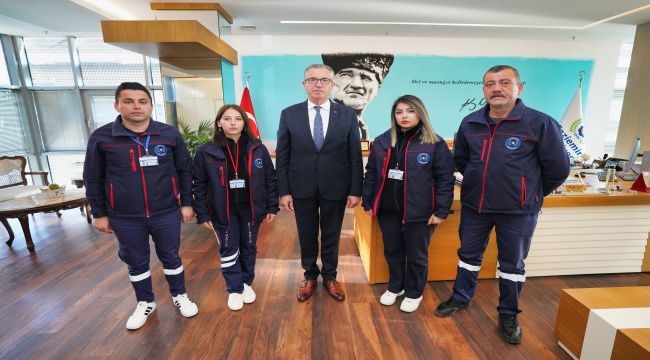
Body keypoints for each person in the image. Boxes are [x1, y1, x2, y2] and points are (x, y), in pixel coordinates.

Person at [434, 65, 570, 344]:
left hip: (519, 212)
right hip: (475, 207)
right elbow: (461, 161)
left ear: (519, 87)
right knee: (468, 257)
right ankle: (461, 296)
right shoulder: (470, 123)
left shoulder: (540, 123)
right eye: (490, 84)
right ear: (484, 90)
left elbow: (558, 169)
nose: (496, 88)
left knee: (512, 265)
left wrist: (529, 193)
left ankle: (509, 313)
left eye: (504, 82)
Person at [83, 82, 198, 330]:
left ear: (150, 105)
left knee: (170, 256)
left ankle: (179, 295)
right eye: (129, 101)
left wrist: (187, 203)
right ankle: (145, 301)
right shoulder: (102, 138)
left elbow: (184, 171)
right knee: (136, 261)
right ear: (117, 105)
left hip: (165, 211)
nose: (136, 106)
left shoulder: (168, 134)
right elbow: (93, 178)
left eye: (142, 101)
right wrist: (99, 213)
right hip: (124, 215)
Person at [276, 64, 363, 302]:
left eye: (324, 80)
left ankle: (331, 276)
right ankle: (309, 275)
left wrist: (356, 189)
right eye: (312, 80)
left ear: (332, 85)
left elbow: (355, 155)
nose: (318, 84)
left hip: (336, 185)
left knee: (332, 234)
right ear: (304, 84)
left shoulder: (346, 115)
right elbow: (282, 155)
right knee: (306, 234)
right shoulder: (289, 114)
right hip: (300, 186)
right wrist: (283, 191)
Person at [362, 95, 455, 313]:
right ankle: (396, 286)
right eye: (399, 111)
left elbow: (445, 179)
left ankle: (414, 291)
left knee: (416, 255)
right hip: (388, 210)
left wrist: (441, 210)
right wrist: (368, 201)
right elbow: (372, 173)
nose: (404, 116)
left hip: (419, 212)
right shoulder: (383, 141)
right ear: (393, 116)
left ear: (420, 113)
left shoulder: (435, 143)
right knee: (392, 251)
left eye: (410, 111)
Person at [192, 105, 278, 311]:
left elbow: (270, 179)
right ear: (219, 123)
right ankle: (234, 288)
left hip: (251, 208)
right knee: (230, 248)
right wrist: (203, 213)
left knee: (249, 246)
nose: (232, 123)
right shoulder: (206, 151)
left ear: (244, 123)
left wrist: (271, 207)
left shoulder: (258, 148)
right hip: (223, 210)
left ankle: (246, 283)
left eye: (238, 119)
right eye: (227, 119)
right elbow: (199, 183)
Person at [321, 53, 394, 140]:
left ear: (377, 89)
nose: (356, 84)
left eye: (366, 78)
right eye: (346, 75)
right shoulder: (314, 122)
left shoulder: (363, 129)